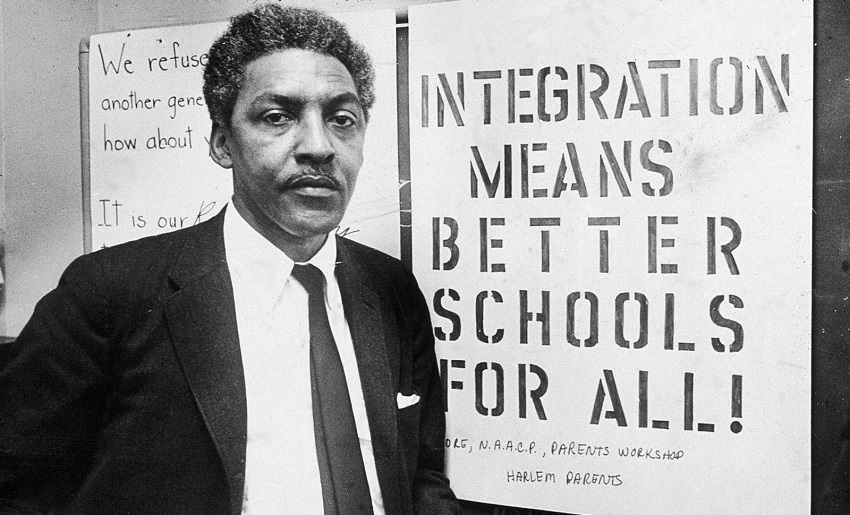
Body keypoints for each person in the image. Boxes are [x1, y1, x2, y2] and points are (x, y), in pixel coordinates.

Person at [0, 4, 460, 514]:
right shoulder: (109, 291)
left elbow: (421, 478)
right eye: (277, 117)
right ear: (222, 143)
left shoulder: (390, 286)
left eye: (342, 119)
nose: (319, 146)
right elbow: (19, 488)